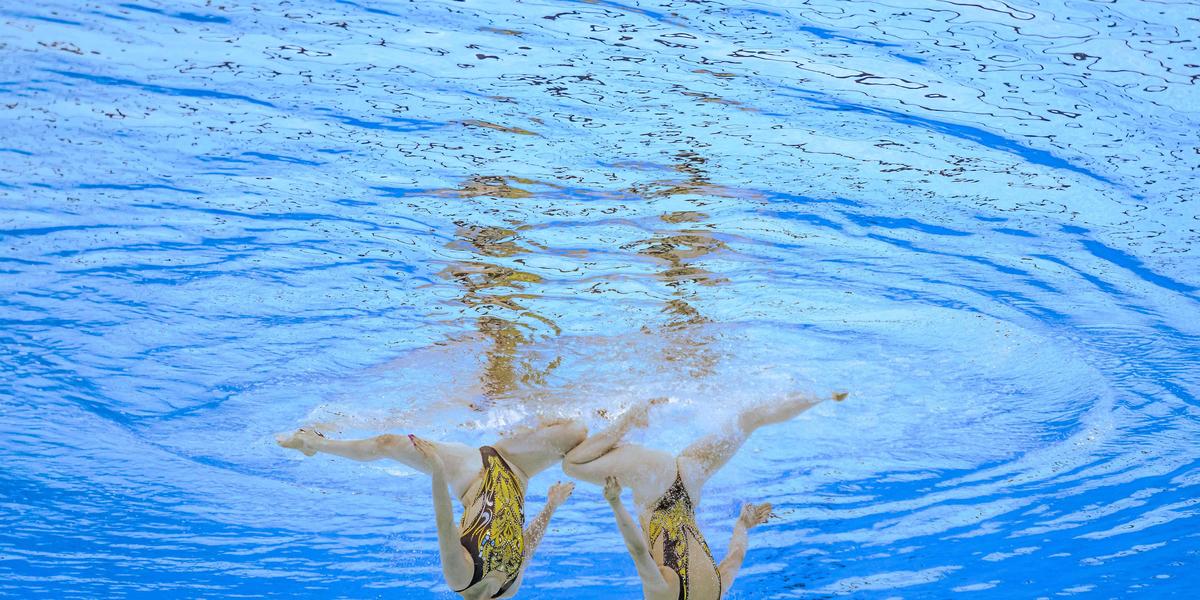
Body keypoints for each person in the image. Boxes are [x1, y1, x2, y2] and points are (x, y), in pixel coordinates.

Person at [563, 393, 845, 600]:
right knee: (572, 464)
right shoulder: (666, 596)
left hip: (690, 483)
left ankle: (824, 394)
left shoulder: (716, 593)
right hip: (655, 485)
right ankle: (630, 418)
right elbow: (638, 551)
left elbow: (737, 555)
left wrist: (743, 525)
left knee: (748, 420)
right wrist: (614, 502)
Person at [277, 418, 587, 599]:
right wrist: (551, 505)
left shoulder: (461, 578)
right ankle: (498, 404)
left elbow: (443, 521)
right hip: (517, 471)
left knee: (387, 444)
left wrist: (437, 468)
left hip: (470, 474)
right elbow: (526, 546)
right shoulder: (507, 590)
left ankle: (313, 443)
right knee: (576, 432)